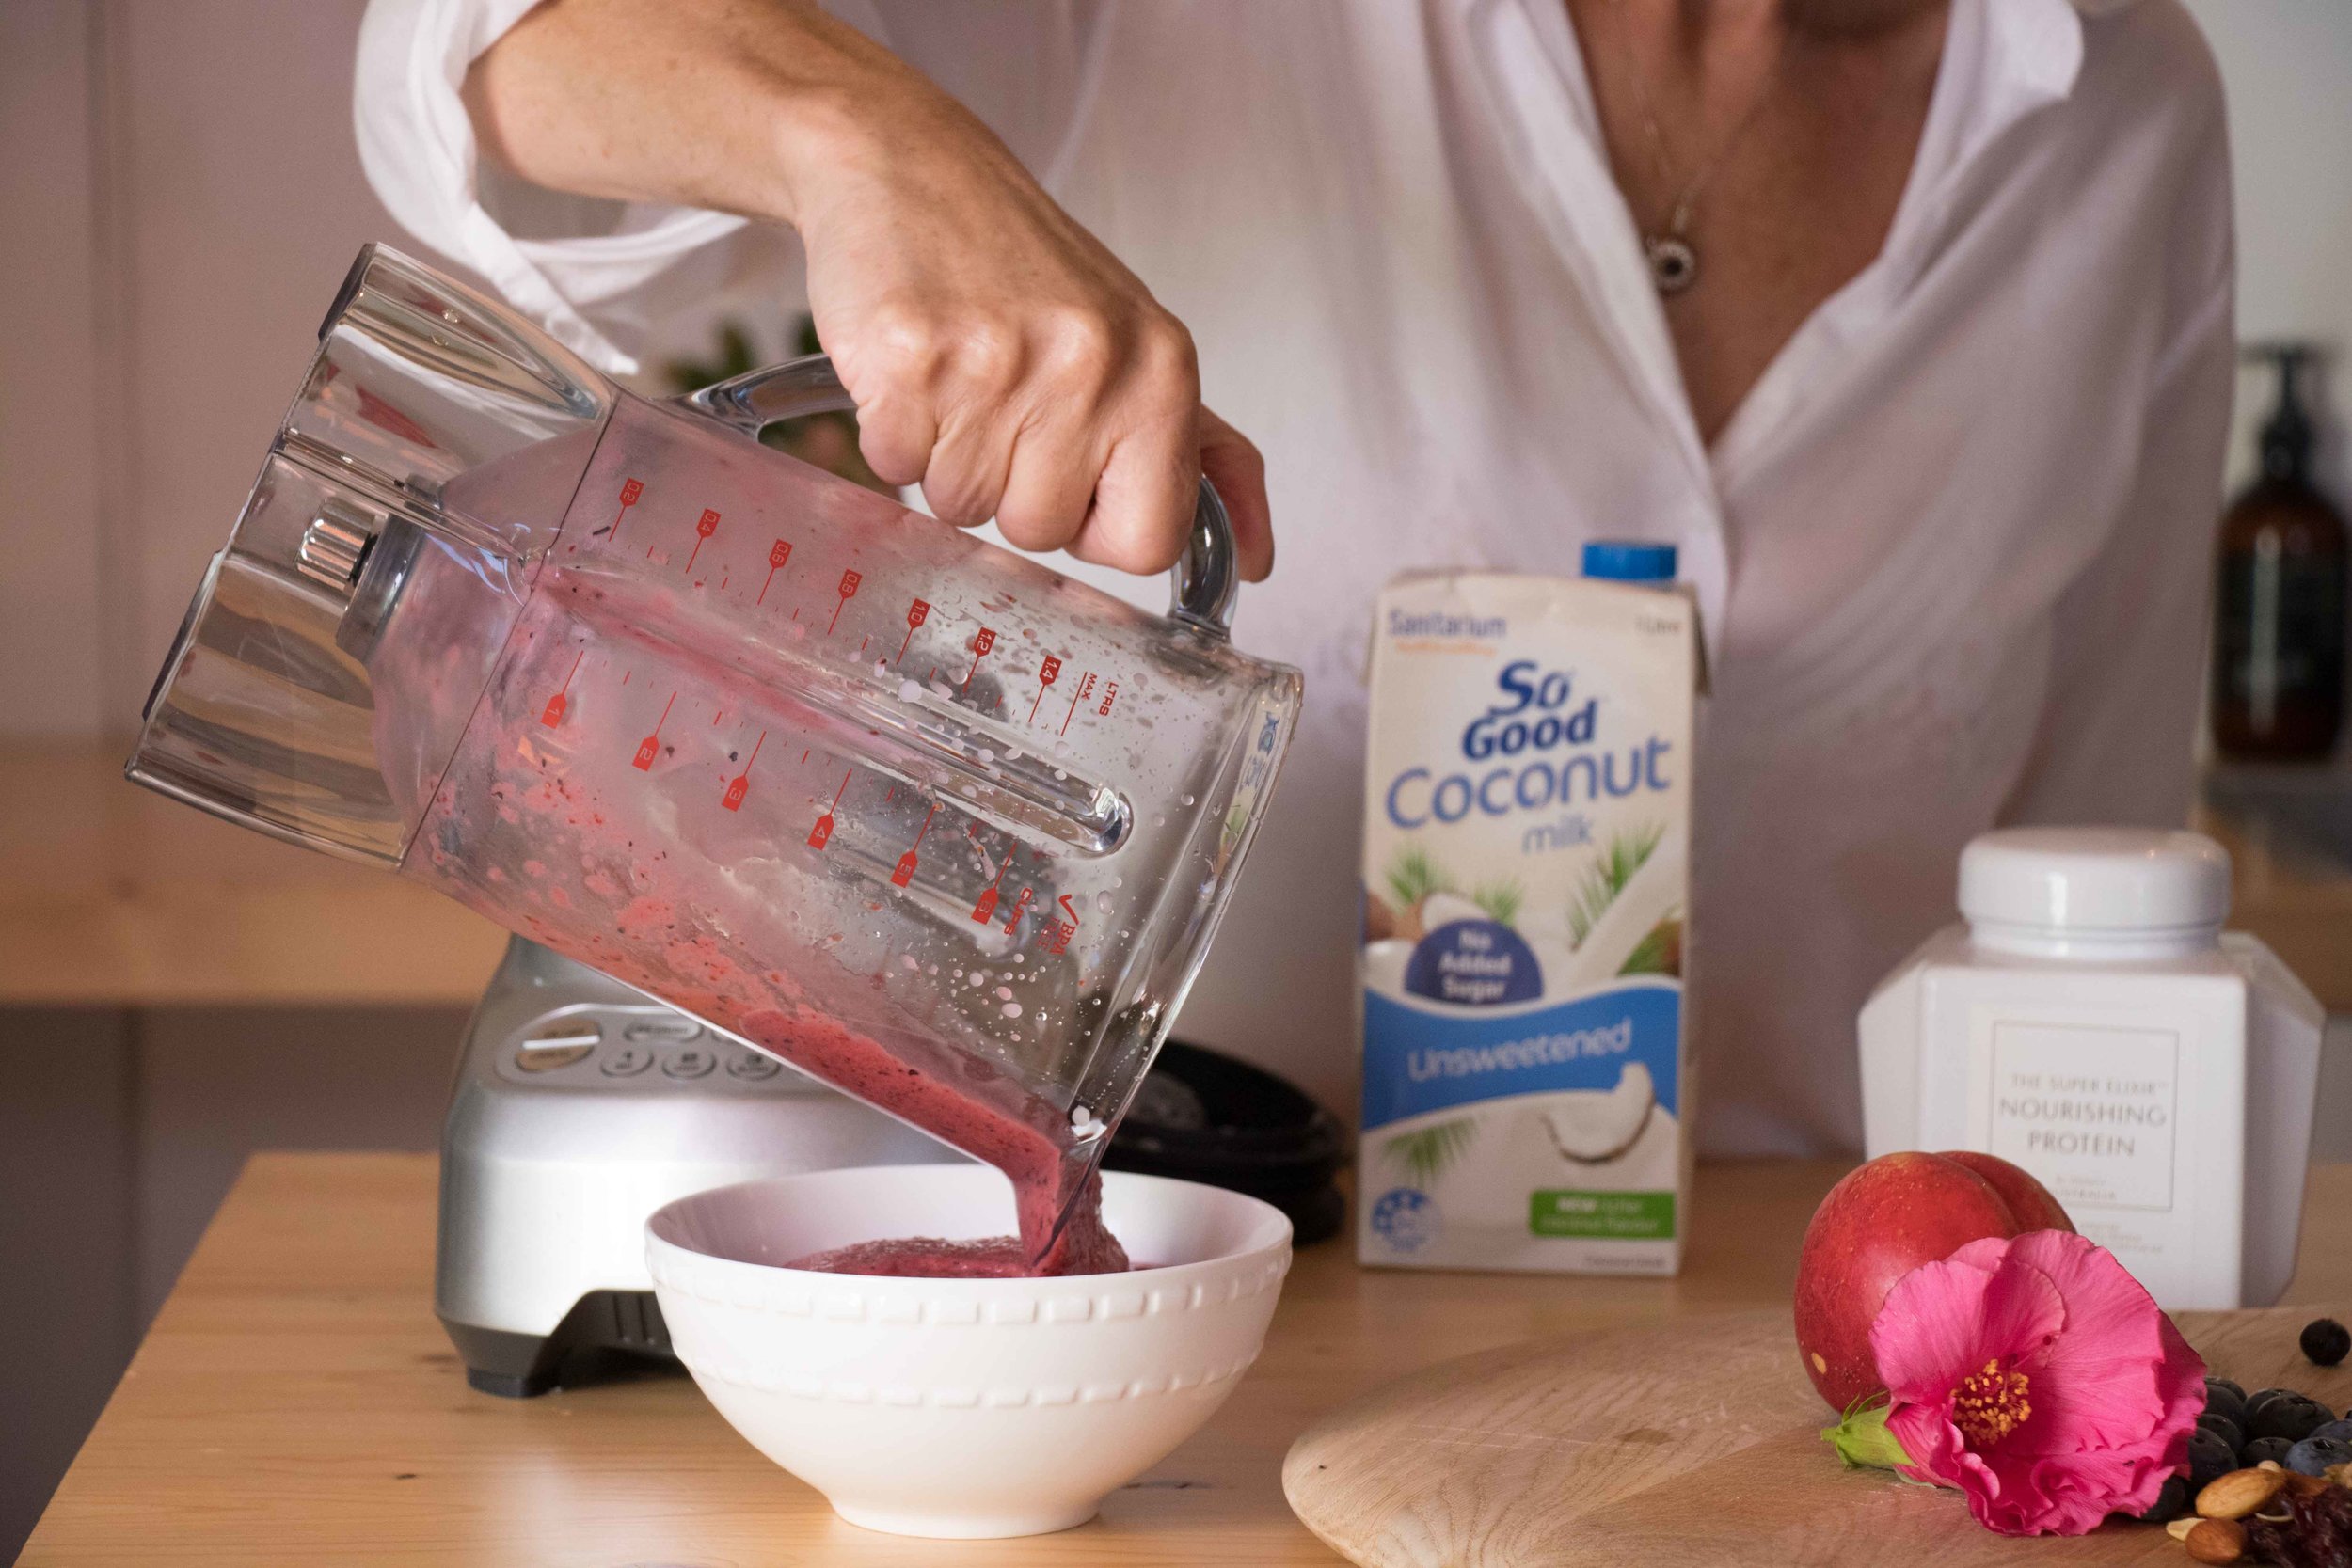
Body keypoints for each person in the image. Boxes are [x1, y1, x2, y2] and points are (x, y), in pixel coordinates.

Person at [356, 0, 2233, 1157]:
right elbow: (467, 42)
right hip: (1164, 1329)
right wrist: (872, 143)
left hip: (1795, 1393)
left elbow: (2098, 895)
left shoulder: (2117, 108)